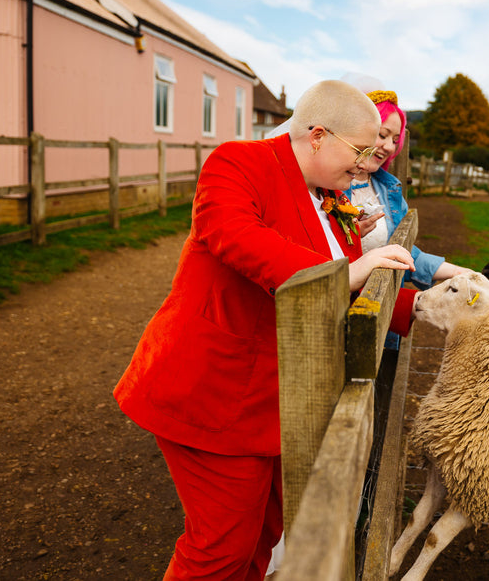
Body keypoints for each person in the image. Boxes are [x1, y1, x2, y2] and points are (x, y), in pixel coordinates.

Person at [113, 80, 420, 581]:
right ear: (318, 135)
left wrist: (424, 306)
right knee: (220, 548)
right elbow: (237, 238)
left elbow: (342, 289)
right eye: (361, 150)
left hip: (278, 400)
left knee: (261, 538)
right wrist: (346, 271)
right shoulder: (237, 163)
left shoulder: (328, 195)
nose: (369, 163)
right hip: (215, 393)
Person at [347, 80, 469, 287]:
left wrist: (460, 272)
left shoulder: (389, 189)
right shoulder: (326, 188)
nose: (389, 147)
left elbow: (407, 254)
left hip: (382, 298)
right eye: (382, 135)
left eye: (395, 140)